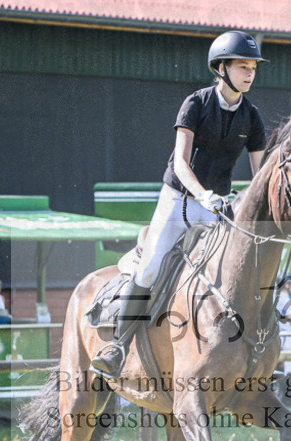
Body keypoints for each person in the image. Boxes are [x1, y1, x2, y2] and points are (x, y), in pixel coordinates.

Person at [90, 30, 268, 380]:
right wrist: (202, 194)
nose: (249, 73)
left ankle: (252, 352)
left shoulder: (252, 117)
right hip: (179, 200)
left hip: (218, 207)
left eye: (253, 68)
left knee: (237, 270)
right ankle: (117, 347)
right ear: (221, 68)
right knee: (152, 266)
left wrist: (244, 206)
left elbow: (260, 178)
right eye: (242, 66)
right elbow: (181, 164)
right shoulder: (196, 104)